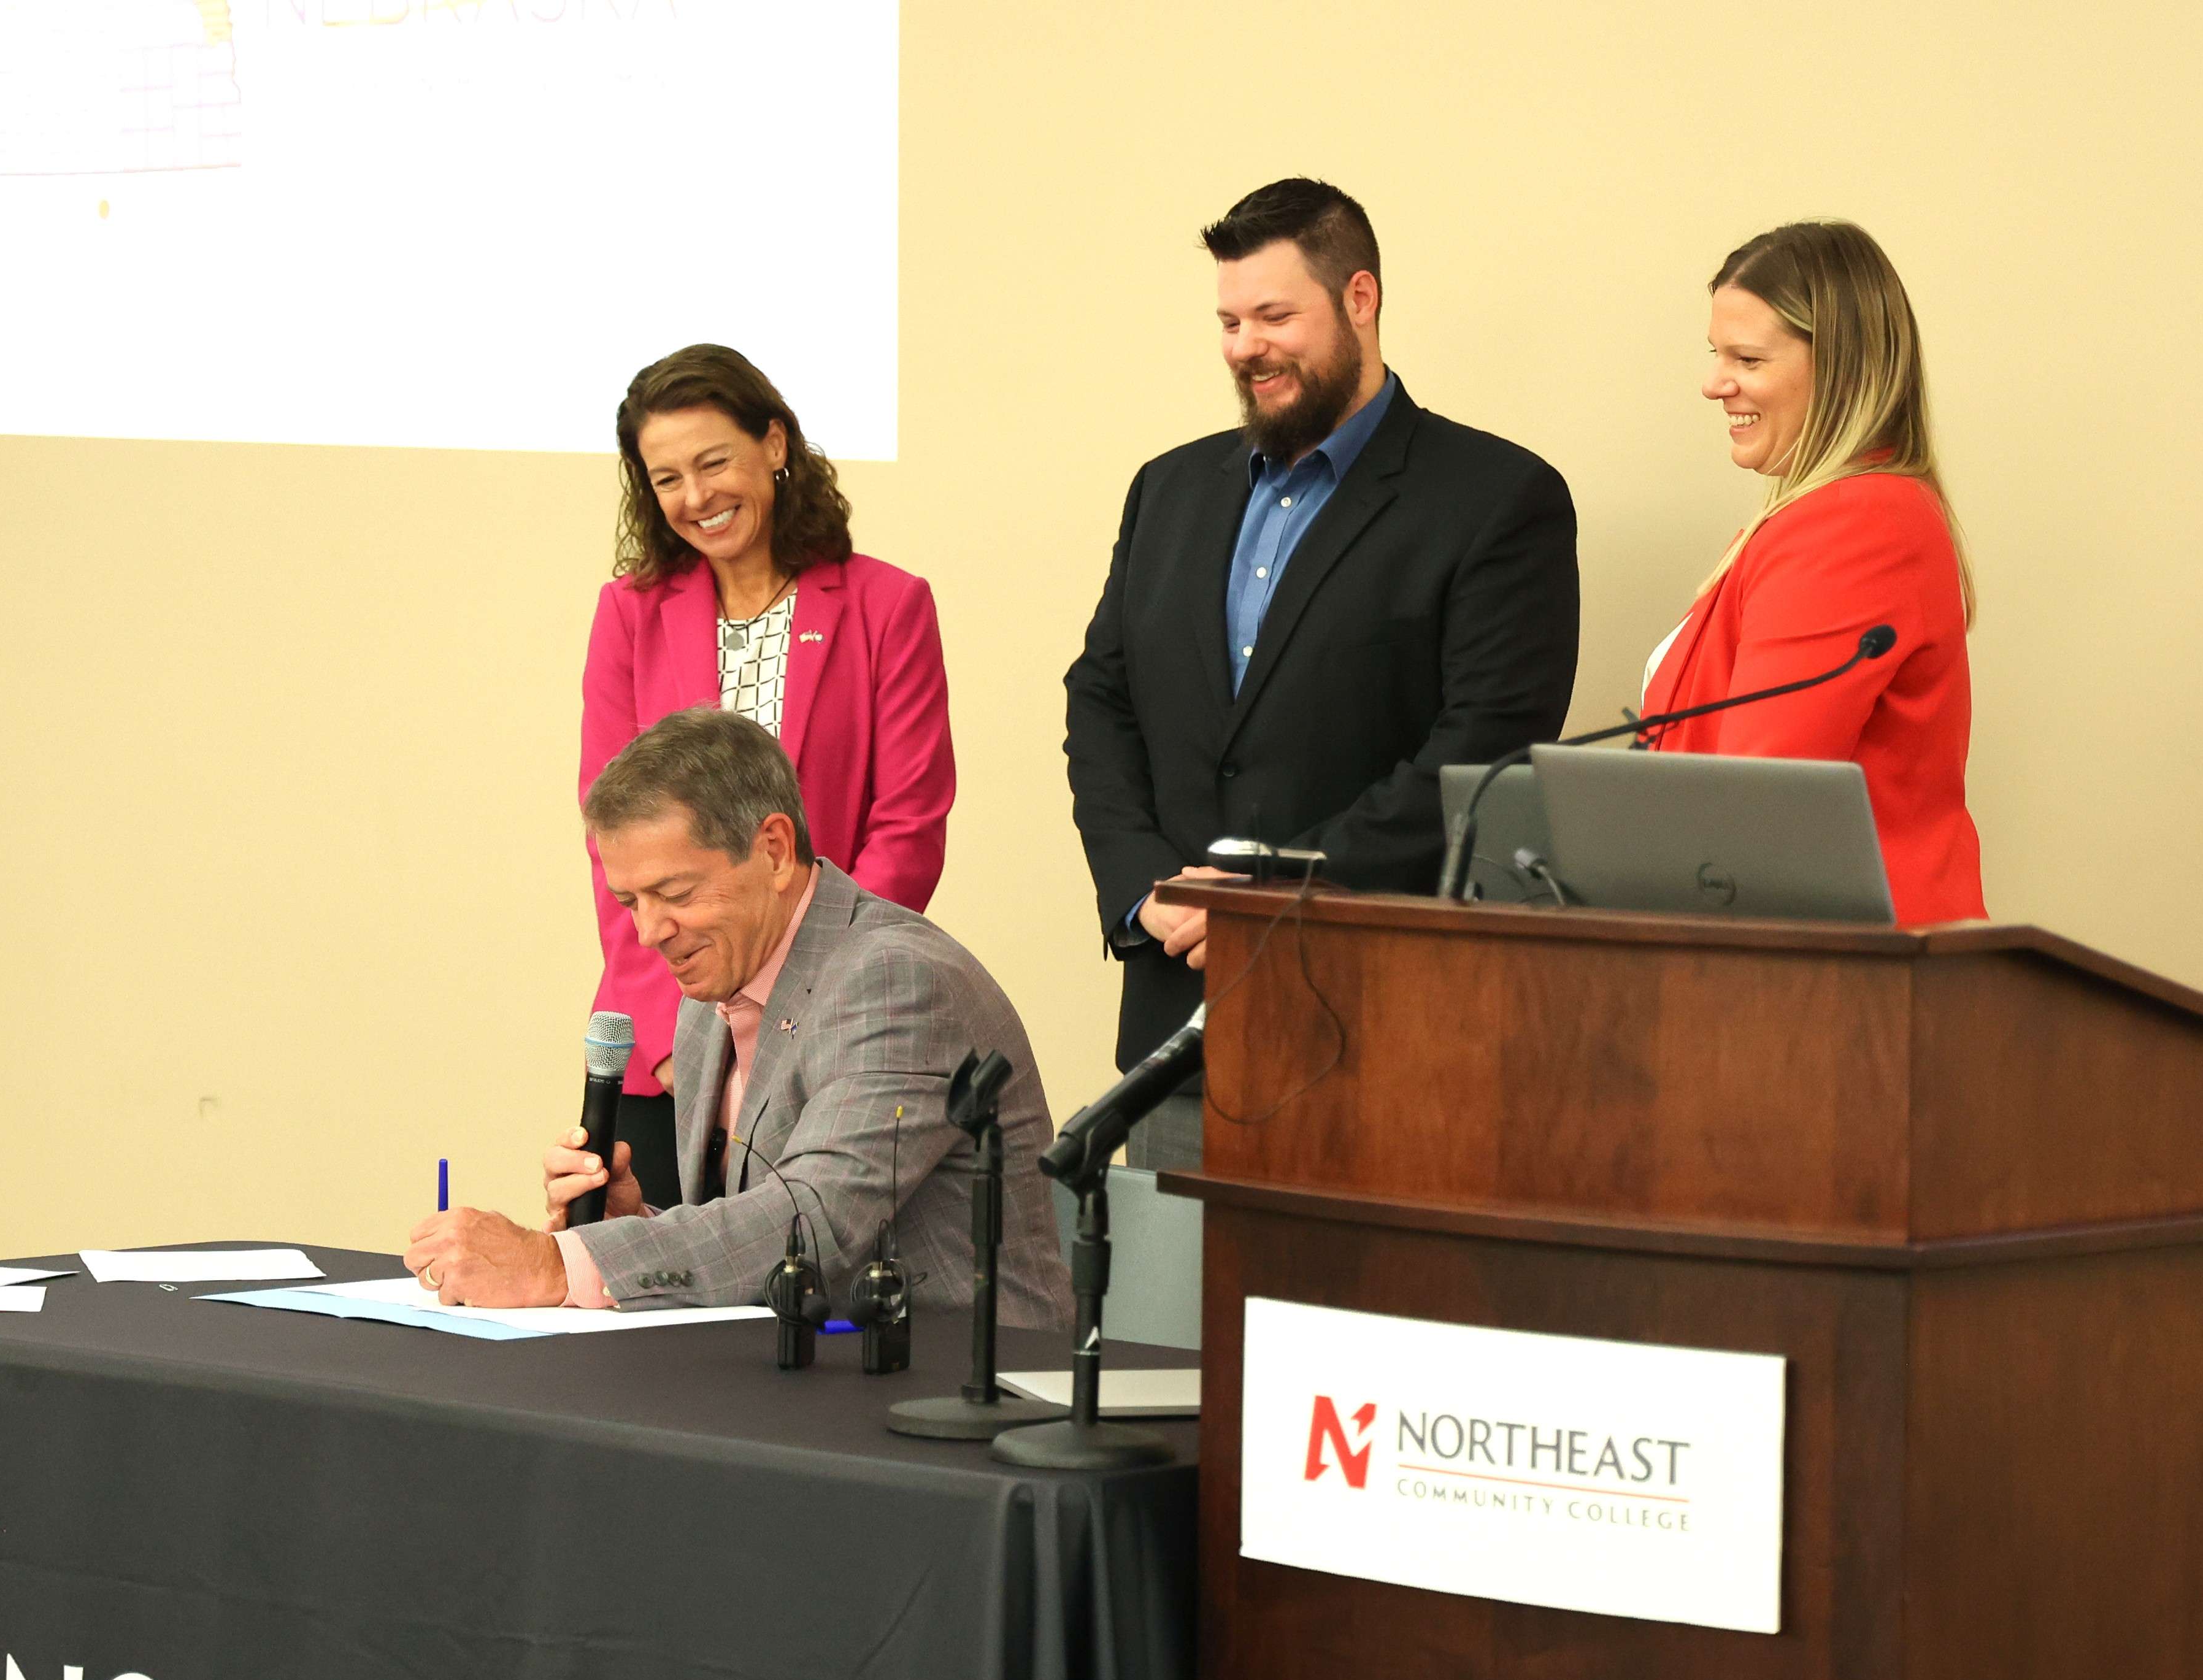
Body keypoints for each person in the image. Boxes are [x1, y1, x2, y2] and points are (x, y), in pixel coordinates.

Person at [1063, 178, 1580, 1168]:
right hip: (1180, 1036)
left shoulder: (1498, 500)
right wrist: (1145, 889)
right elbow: (1101, 700)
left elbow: (1481, 754)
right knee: (1168, 1326)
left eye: (1271, 316)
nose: (1242, 345)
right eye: (1225, 320)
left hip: (1381, 1035)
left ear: (1358, 300)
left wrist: (1264, 896)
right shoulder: (1167, 489)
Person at [409, 710, 1064, 1322]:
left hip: (957, 1397)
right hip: (802, 1374)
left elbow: (813, 1220)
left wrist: (558, 1264)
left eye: (675, 893)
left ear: (775, 850)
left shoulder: (894, 978)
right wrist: (632, 1219)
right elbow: (751, 1236)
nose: (648, 931)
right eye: (629, 900)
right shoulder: (709, 998)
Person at [582, 345, 956, 1200]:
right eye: (667, 477)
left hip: (830, 1039)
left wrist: (814, 1009)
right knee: (641, 1302)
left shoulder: (886, 605)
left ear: (776, 445)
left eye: (714, 462)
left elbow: (909, 825)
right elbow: (614, 844)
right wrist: (678, 1037)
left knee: (797, 1298)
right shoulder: (628, 615)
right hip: (666, 1050)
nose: (697, 497)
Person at [1640, 221, 1986, 924]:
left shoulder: (1853, 523)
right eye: (1716, 353)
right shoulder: (1840, 513)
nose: (1714, 383)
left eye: (1747, 358)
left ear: (1841, 368)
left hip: (1836, 974)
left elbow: (1755, 801)